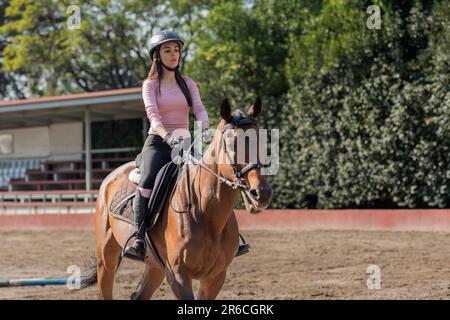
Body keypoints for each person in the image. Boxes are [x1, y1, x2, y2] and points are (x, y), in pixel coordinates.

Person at [123, 30, 248, 262]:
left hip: (187, 142)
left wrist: (205, 128)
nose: (173, 54)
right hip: (159, 143)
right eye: (167, 50)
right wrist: (167, 136)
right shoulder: (150, 85)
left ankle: (231, 236)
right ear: (157, 56)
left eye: (176, 50)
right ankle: (139, 238)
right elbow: (153, 115)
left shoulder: (188, 83)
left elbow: (199, 108)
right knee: (148, 180)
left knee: (214, 178)